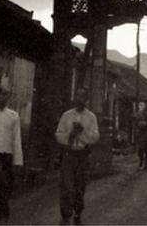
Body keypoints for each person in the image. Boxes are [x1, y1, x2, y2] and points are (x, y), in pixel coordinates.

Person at [55, 89, 99, 226]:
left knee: (80, 187)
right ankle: (65, 215)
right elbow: (58, 134)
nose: (80, 99)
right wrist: (70, 135)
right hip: (68, 154)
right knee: (66, 186)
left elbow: (95, 137)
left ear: (86, 99)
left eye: (83, 96)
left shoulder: (91, 117)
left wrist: (81, 133)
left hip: (82, 155)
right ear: (74, 98)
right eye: (78, 96)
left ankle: (77, 214)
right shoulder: (66, 115)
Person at [0, 89, 23, 223]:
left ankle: (3, 212)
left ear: (8, 98)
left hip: (6, 155)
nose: (1, 98)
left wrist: (18, 161)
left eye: (4, 96)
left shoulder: (13, 116)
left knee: (5, 184)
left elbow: (16, 138)